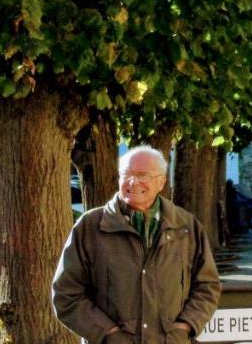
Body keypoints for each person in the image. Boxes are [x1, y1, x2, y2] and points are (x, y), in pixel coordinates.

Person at [53, 145, 221, 344]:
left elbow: (207, 286)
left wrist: (184, 326)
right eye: (127, 174)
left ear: (161, 182)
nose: (133, 182)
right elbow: (66, 294)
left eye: (143, 175)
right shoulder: (90, 227)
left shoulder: (186, 226)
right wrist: (109, 334)